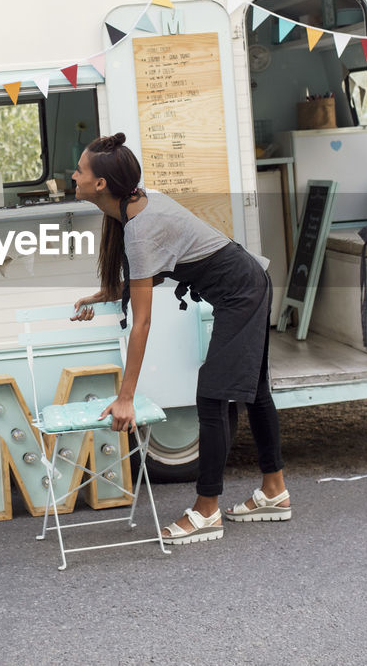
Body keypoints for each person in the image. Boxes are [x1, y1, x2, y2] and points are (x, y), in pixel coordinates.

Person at [70, 133, 290, 545]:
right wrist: (107, 291)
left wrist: (126, 396)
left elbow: (142, 323)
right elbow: (150, 271)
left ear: (100, 184)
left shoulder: (138, 228)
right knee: (255, 391)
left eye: (79, 170)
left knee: (211, 395)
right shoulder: (134, 208)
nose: (73, 175)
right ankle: (274, 492)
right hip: (247, 283)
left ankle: (207, 511)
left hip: (242, 290)